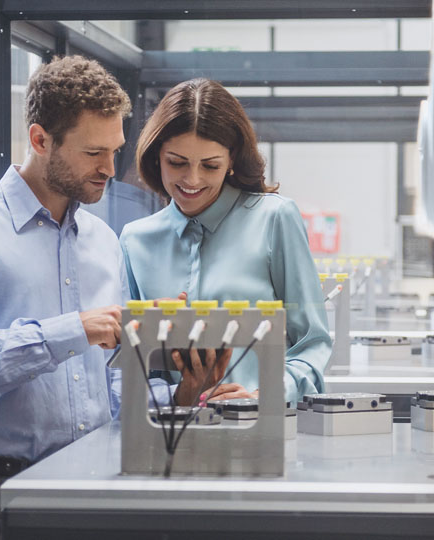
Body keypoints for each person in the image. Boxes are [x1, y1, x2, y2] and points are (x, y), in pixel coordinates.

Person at [0, 55, 131, 540]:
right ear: (40, 140)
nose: (110, 169)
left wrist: (179, 390)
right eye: (94, 152)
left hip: (96, 488)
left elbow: (109, 383)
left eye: (114, 150)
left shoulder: (103, 241)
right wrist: (72, 330)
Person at [119, 78, 332, 407]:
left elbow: (312, 344)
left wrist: (262, 398)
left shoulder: (276, 218)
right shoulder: (135, 240)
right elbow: (130, 364)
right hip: (168, 436)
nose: (192, 180)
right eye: (177, 163)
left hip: (261, 431)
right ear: (155, 155)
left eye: (210, 165)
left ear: (231, 159)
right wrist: (179, 395)